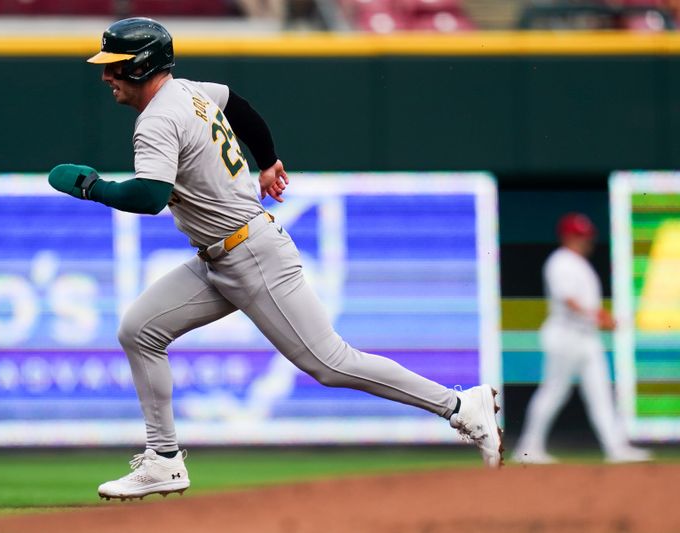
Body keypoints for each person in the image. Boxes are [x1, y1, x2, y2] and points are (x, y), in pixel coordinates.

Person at [48, 17, 503, 501]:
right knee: (139, 330)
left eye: (114, 67)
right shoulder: (187, 92)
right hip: (219, 257)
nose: (106, 76)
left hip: (250, 254)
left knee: (330, 363)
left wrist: (91, 187)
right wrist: (268, 160)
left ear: (140, 66)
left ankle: (459, 405)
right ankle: (163, 461)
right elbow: (237, 105)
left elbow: (151, 196)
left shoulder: (158, 118)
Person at [513, 213, 652, 465]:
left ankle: (616, 448)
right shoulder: (560, 262)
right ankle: (528, 447)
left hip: (587, 338)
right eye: (580, 236)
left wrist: (599, 319)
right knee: (553, 392)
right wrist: (599, 317)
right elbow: (569, 300)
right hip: (565, 336)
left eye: (586, 236)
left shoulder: (579, 264)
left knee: (601, 393)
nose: (585, 241)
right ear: (567, 237)